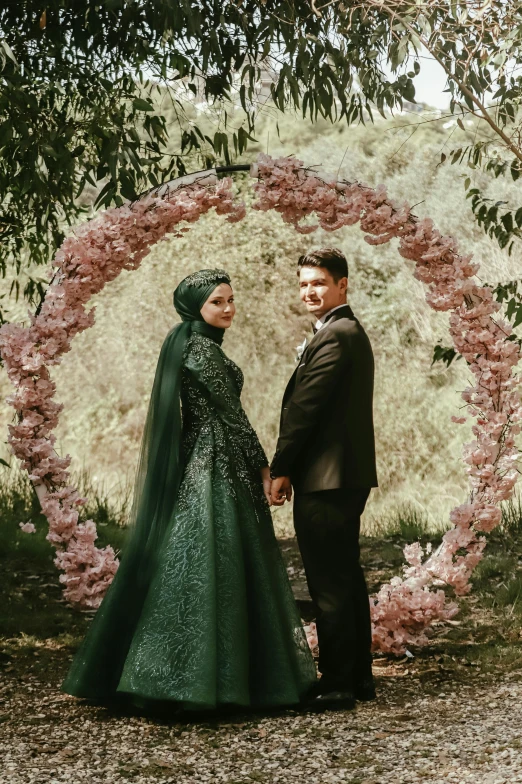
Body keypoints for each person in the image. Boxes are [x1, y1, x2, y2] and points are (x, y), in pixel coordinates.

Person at [62, 269, 316, 713]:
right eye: (218, 301)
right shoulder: (201, 350)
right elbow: (232, 416)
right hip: (214, 461)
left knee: (206, 558)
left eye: (232, 299)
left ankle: (209, 674)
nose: (229, 308)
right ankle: (191, 678)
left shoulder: (194, 345)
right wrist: (266, 470)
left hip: (207, 455)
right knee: (210, 557)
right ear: (195, 306)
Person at [270, 248, 378, 711]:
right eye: (303, 284)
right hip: (341, 476)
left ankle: (337, 684)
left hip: (327, 478)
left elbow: (305, 410)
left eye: (318, 282)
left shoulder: (337, 336)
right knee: (346, 577)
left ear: (342, 285)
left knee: (329, 582)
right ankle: (357, 677)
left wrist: (281, 467)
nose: (309, 291)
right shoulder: (342, 332)